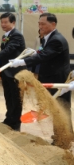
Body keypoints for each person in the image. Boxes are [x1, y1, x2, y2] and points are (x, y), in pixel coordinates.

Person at [10, 13, 73, 142]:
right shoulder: (47, 37)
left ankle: (65, 137)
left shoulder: (57, 40)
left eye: (43, 24)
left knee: (62, 108)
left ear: (53, 24)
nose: (40, 26)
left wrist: (21, 62)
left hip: (59, 80)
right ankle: (61, 135)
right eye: (39, 23)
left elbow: (43, 56)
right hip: (50, 77)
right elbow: (43, 53)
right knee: (55, 108)